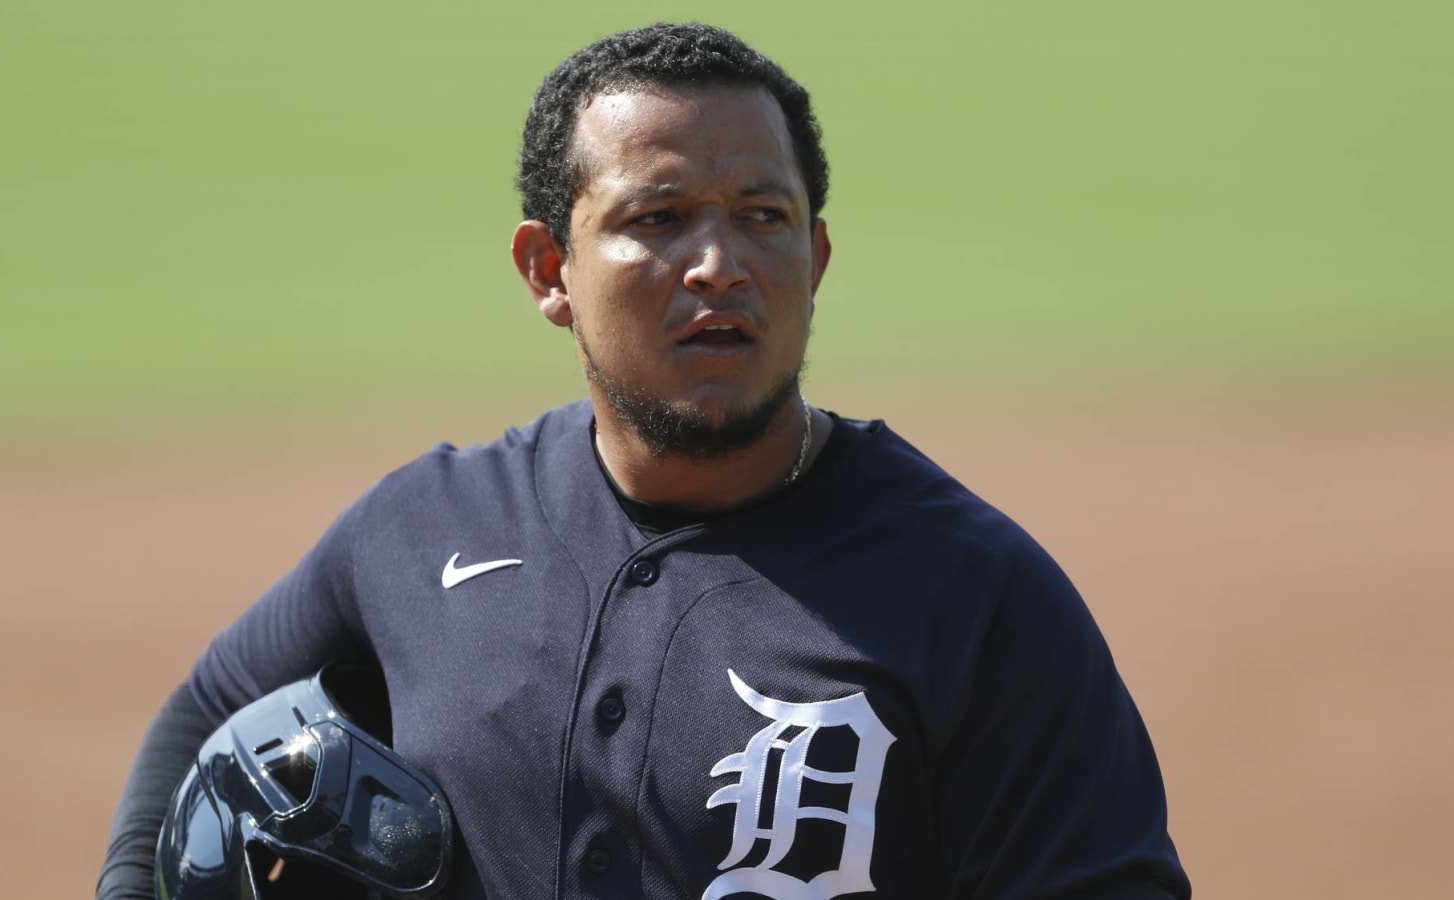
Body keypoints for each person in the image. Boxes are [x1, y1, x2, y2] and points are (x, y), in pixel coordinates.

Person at [99, 22, 1191, 899]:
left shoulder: (973, 592)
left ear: (812, 258)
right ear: (548, 268)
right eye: (657, 217)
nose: (718, 263)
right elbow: (211, 705)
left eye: (762, 216)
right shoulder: (425, 527)